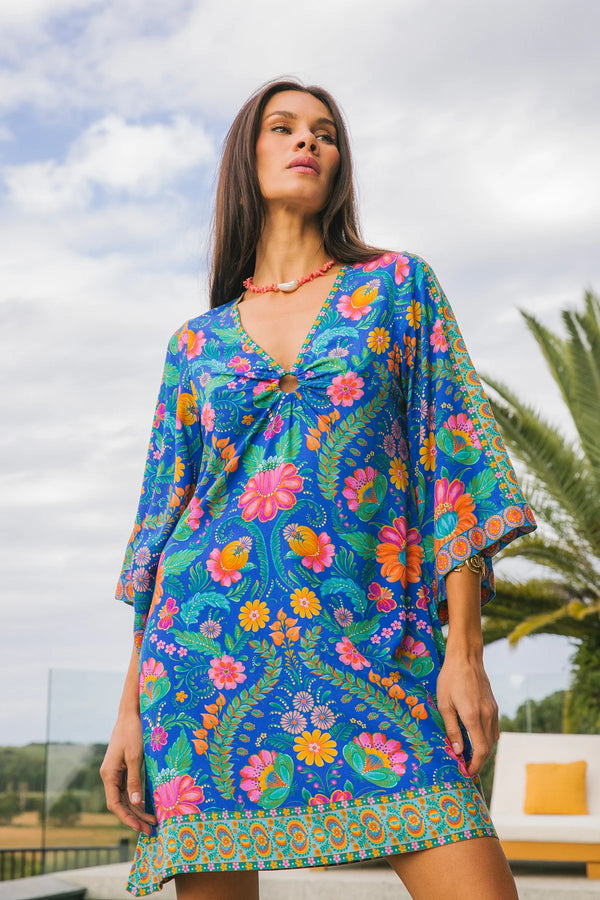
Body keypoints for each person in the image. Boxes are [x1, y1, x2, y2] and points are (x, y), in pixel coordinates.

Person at [100, 77, 536, 900]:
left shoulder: (398, 288)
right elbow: (159, 529)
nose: (309, 142)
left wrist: (465, 652)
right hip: (205, 663)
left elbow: (457, 461)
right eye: (284, 127)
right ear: (247, 156)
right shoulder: (194, 344)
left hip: (377, 646)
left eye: (326, 133)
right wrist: (128, 713)